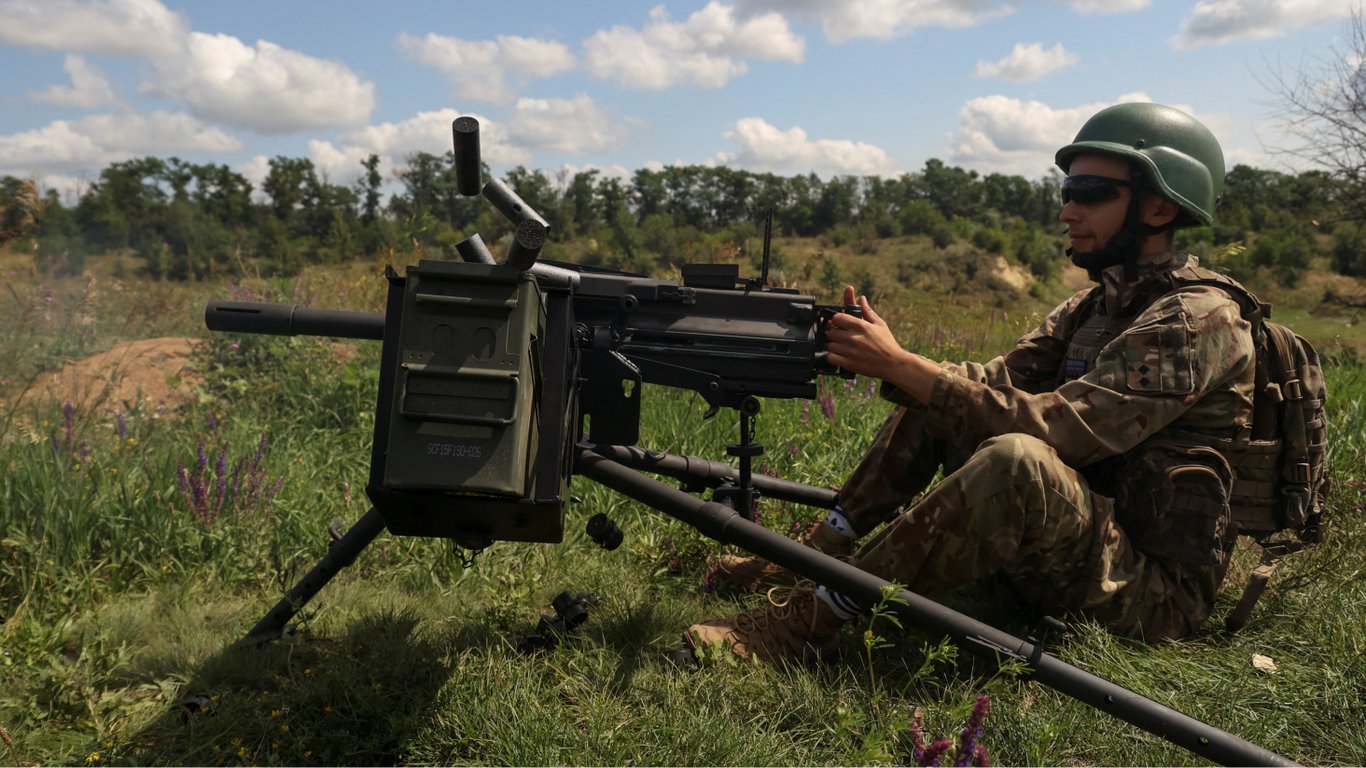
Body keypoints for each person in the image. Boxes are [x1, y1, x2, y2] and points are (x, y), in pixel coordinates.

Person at [687, 102, 1262, 662]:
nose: (1067, 212)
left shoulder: (1199, 320)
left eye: (1090, 195)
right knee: (937, 395)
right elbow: (990, 384)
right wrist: (894, 359)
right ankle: (816, 554)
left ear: (1159, 210)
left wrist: (904, 367)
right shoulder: (1096, 305)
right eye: (1067, 193)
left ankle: (811, 622)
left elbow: (1065, 433)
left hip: (1152, 593)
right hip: (1083, 545)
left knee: (1016, 458)